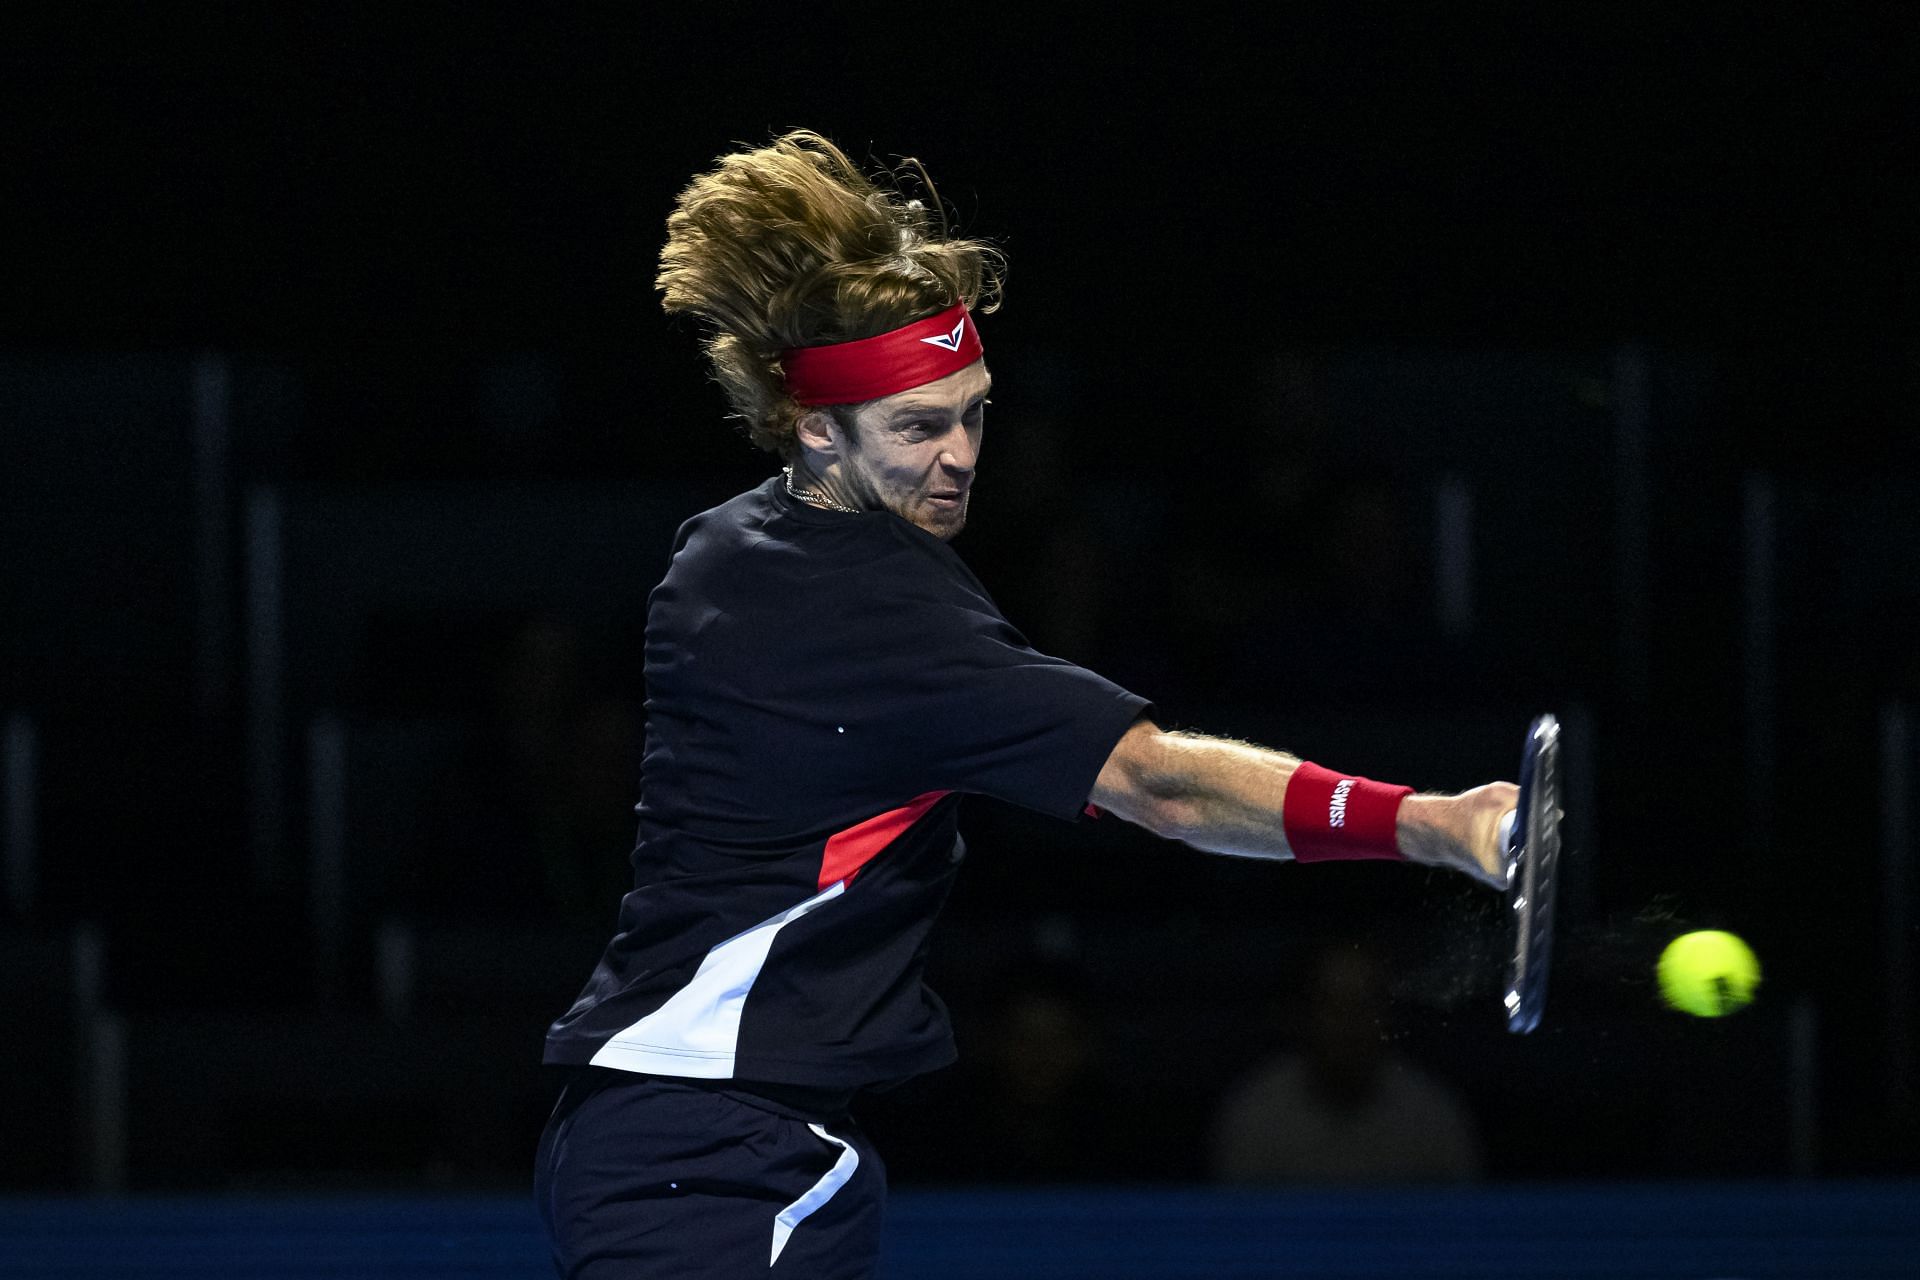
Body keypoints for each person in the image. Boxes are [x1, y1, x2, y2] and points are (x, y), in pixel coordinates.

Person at [534, 131, 1516, 1279]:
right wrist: (1428, 821)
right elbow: (1155, 781)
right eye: (917, 426)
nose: (959, 456)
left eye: (974, 413)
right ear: (815, 426)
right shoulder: (873, 606)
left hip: (678, 1134)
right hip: (710, 1146)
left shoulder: (731, 549)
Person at [1209, 939, 1484, 1185]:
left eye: (1363, 1005)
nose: (1350, 1024)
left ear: (1386, 1015)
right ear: (1302, 1015)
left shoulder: (1432, 1117)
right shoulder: (1254, 1116)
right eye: (1333, 1007)